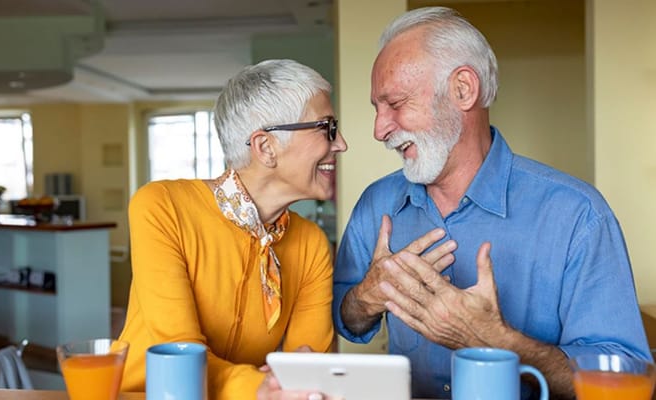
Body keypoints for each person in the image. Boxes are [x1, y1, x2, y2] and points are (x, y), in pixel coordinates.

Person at [332, 6, 652, 400]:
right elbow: (344, 317)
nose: (379, 129)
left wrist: (502, 344)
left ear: (464, 90)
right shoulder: (375, 203)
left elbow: (626, 381)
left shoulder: (578, 216)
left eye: (395, 103)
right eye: (376, 109)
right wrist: (365, 297)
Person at [117, 59, 348, 399]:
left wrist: (300, 378)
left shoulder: (311, 244)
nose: (340, 143)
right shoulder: (161, 206)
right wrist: (259, 387)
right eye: (326, 127)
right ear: (266, 147)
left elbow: (308, 368)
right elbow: (182, 359)